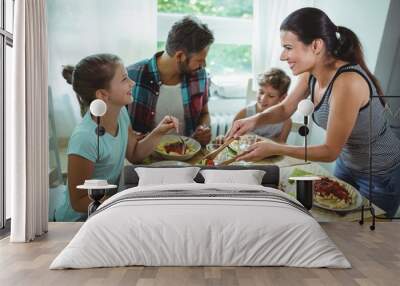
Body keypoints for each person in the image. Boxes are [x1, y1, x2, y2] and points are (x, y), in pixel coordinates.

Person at [227, 7, 400, 216]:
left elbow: (329, 151)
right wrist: (254, 120)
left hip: (382, 173)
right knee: (338, 224)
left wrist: (276, 148)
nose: (283, 56)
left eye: (288, 47)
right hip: (347, 164)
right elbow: (284, 109)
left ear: (316, 45)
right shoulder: (310, 75)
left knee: (369, 238)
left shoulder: (347, 82)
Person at [57, 54, 179, 221]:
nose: (132, 83)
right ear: (103, 94)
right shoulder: (84, 139)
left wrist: (160, 131)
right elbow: (78, 202)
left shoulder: (121, 112)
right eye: (124, 79)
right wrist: (124, 204)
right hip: (79, 221)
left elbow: (134, 153)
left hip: (107, 208)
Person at [126, 16, 214, 146]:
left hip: (187, 158)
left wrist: (203, 129)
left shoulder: (200, 76)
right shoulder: (132, 76)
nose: (204, 65)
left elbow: (204, 113)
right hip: (144, 162)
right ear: (180, 56)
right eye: (200, 60)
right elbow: (117, 125)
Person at [233, 68, 292, 143]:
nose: (263, 99)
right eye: (261, 92)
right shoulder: (243, 114)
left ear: (283, 97)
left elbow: (281, 145)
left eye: (271, 96)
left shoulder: (286, 121)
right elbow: (230, 140)